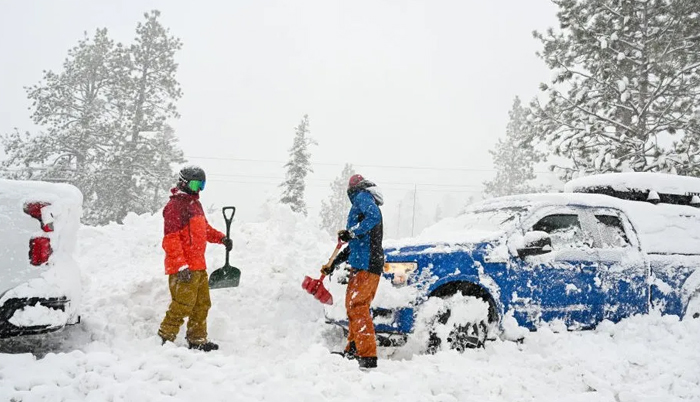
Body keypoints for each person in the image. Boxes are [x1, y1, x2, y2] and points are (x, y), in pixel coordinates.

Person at [158, 165, 233, 351]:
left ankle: (197, 339)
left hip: (199, 266)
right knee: (182, 305)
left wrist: (221, 238)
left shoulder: (195, 205)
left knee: (202, 304)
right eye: (195, 183)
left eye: (202, 184)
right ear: (183, 182)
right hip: (184, 269)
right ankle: (165, 337)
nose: (198, 188)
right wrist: (180, 265)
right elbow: (170, 239)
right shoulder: (175, 207)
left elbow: (204, 229)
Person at [322, 174, 384, 369]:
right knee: (354, 307)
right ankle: (354, 348)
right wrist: (335, 263)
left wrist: (351, 232)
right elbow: (354, 246)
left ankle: (367, 356)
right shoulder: (362, 203)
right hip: (362, 264)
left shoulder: (362, 196)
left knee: (358, 306)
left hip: (367, 265)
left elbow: (372, 217)